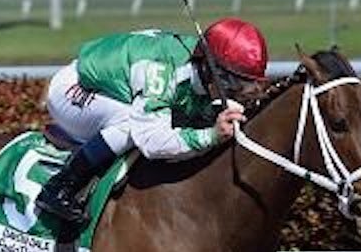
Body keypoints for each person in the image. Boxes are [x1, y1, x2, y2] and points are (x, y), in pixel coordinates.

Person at [35, 17, 269, 224]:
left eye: (246, 84)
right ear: (210, 68)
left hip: (115, 87)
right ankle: (59, 188)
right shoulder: (162, 71)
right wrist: (211, 135)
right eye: (234, 83)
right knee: (130, 124)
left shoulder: (201, 61)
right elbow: (150, 140)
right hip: (74, 88)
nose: (239, 91)